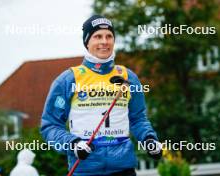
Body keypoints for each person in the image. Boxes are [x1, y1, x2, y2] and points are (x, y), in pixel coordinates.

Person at [41, 15, 162, 176]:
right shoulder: (68, 79)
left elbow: (138, 118)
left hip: (123, 169)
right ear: (87, 42)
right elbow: (50, 126)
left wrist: (149, 140)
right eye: (97, 36)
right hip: (85, 169)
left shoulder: (128, 77)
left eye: (109, 36)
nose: (104, 41)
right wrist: (73, 144)